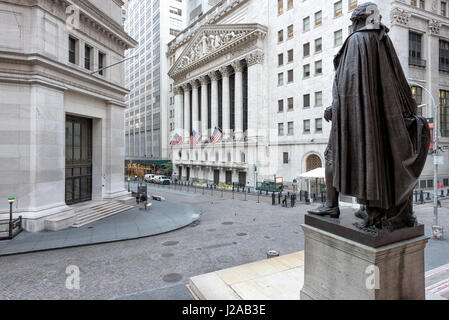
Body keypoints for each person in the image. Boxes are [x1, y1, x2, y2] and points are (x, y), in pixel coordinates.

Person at [307, 3, 430, 231]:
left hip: (355, 118)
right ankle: (367, 206)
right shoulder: (382, 39)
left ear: (356, 20)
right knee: (370, 157)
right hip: (379, 118)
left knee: (331, 154)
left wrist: (336, 108)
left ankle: (331, 205)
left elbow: (348, 84)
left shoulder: (357, 41)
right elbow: (395, 80)